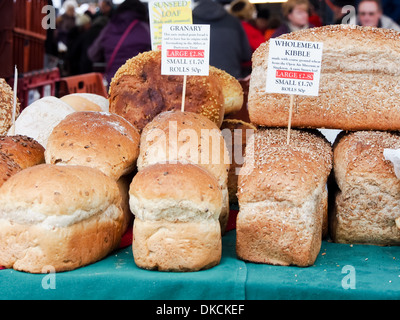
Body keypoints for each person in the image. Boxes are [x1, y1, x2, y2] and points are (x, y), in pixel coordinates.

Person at [87, 0, 151, 86]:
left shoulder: (109, 28)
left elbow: (92, 54)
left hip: (114, 83)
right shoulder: (145, 29)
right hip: (139, 85)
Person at [192, 0, 252, 79]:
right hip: (230, 82)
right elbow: (246, 55)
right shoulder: (234, 22)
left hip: (198, 84)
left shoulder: (187, 22)